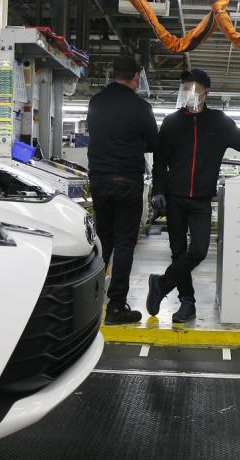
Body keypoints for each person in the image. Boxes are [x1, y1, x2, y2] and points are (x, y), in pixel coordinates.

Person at [146, 69, 240, 323]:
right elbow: (160, 160)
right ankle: (187, 302)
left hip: (201, 199)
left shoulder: (218, 122)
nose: (188, 93)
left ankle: (162, 283)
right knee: (178, 251)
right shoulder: (172, 123)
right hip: (175, 197)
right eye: (185, 88)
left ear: (206, 92)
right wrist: (158, 190)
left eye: (193, 88)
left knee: (199, 250)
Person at [87, 56, 158, 324]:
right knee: (125, 244)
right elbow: (154, 142)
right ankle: (116, 307)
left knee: (102, 242)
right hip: (127, 180)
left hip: (100, 180)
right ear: (136, 78)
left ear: (113, 74)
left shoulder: (96, 102)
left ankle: (90, 302)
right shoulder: (141, 107)